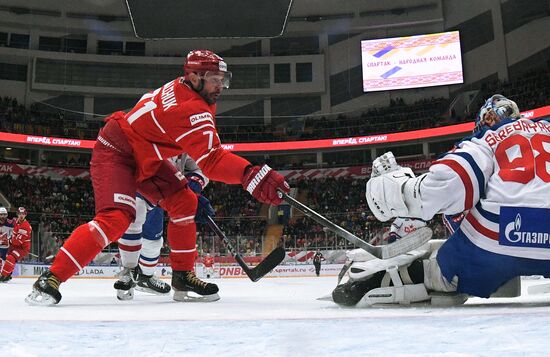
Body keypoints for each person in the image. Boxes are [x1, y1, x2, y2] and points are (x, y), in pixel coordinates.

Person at [26, 49, 290, 305]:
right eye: (214, 80)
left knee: (185, 202)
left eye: (223, 80)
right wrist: (251, 175)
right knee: (116, 218)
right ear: (194, 77)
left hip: (145, 154)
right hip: (117, 151)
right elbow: (212, 160)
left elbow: (203, 152)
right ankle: (51, 278)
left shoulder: (187, 89)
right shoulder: (190, 107)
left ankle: (183, 276)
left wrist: (242, 175)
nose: (220, 86)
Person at [332, 94, 550, 306]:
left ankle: (373, 281)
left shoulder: (485, 140)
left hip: (499, 238)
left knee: (439, 270)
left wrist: (400, 190)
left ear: (486, 120)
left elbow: (449, 184)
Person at [114, 154, 213, 300]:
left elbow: (202, 166)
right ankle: (129, 270)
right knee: (135, 214)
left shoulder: (187, 137)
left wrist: (196, 182)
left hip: (164, 189)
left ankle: (145, 277)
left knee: (154, 240)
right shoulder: (152, 134)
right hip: (140, 179)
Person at [1, 207, 32, 282]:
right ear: (17, 214)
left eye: (23, 214)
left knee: (11, 258)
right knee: (8, 258)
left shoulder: (25, 226)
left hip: (22, 248)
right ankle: (8, 275)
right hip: (14, 246)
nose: (21, 215)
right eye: (19, 214)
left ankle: (3, 275)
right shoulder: (17, 222)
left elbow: (18, 241)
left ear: (25, 215)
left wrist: (7, 240)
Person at [0, 207, 13, 274]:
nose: (3, 216)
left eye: (4, 214)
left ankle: (5, 273)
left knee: (5, 259)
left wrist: (9, 237)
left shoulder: (10, 223)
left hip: (5, 245)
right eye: (1, 214)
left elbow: (13, 233)